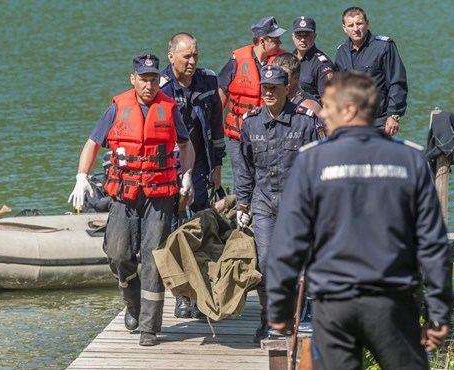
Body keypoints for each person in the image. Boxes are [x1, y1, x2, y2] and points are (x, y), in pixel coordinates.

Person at [266, 72, 453, 369]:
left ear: (350, 109)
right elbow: (433, 243)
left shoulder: (312, 161)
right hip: (392, 303)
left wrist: (280, 306)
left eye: (327, 105)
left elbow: (288, 243)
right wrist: (439, 310)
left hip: (333, 306)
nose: (322, 113)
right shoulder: (409, 160)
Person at [68, 54, 195, 346]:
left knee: (153, 257)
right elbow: (92, 143)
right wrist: (81, 176)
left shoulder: (169, 108)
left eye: (153, 79)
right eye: (143, 79)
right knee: (118, 254)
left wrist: (186, 175)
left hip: (160, 195)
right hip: (124, 193)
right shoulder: (117, 108)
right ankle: (132, 302)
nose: (148, 85)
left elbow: (186, 145)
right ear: (133, 79)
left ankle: (150, 327)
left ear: (158, 80)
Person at [234, 65, 319, 343]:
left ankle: (296, 319)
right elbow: (245, 167)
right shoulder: (250, 122)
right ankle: (270, 319)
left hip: (297, 205)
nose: (268, 92)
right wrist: (242, 204)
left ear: (287, 90)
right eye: (265, 88)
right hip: (263, 204)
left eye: (274, 88)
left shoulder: (305, 122)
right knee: (268, 262)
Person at [159, 32, 225, 319]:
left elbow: (216, 123)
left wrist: (218, 166)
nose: (192, 61)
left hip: (200, 165)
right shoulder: (160, 86)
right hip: (168, 168)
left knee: (199, 227)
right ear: (171, 57)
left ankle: (201, 292)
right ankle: (181, 295)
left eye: (195, 55)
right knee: (173, 229)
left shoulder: (208, 80)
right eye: (187, 56)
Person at [218, 16, 287, 193]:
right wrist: (214, 129)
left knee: (269, 180)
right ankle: (241, 215)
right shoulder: (237, 61)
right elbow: (220, 93)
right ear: (263, 41)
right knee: (242, 180)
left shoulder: (283, 60)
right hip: (239, 135)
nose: (280, 41)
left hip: (271, 134)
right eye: (275, 38)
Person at [334, 6, 407, 137]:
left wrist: (393, 115)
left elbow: (396, 82)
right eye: (350, 25)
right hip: (350, 122)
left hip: (378, 122)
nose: (355, 29)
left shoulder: (384, 46)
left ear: (367, 23)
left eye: (359, 23)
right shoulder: (341, 52)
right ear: (344, 28)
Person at [290, 16, 334, 100]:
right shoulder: (289, 59)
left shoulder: (322, 64)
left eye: (307, 36)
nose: (303, 39)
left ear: (314, 36)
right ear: (293, 37)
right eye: (299, 35)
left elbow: (328, 99)